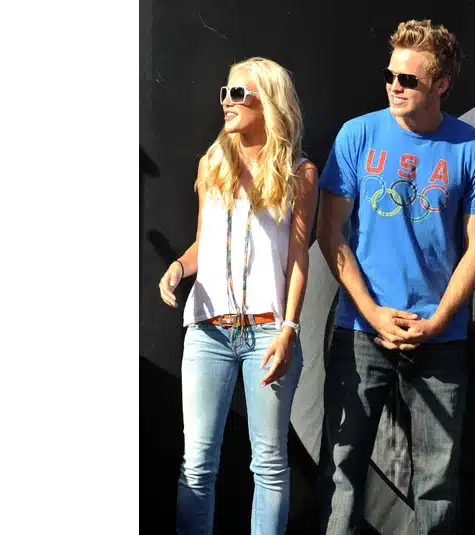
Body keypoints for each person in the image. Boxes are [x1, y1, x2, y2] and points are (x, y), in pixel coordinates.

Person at [314, 19, 475, 535]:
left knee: (438, 483)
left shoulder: (473, 149)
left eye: (409, 79)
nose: (395, 86)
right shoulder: (357, 134)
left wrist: (438, 322)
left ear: (441, 84)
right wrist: (372, 313)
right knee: (341, 470)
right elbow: (331, 233)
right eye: (390, 75)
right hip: (361, 330)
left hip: (441, 337)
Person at [158, 57, 319, 535]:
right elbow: (203, 242)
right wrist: (178, 267)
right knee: (196, 463)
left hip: (268, 331)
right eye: (224, 93)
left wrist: (289, 329)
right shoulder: (213, 163)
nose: (226, 102)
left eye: (238, 94)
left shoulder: (299, 172)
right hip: (208, 330)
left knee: (268, 463)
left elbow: (297, 259)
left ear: (267, 102)